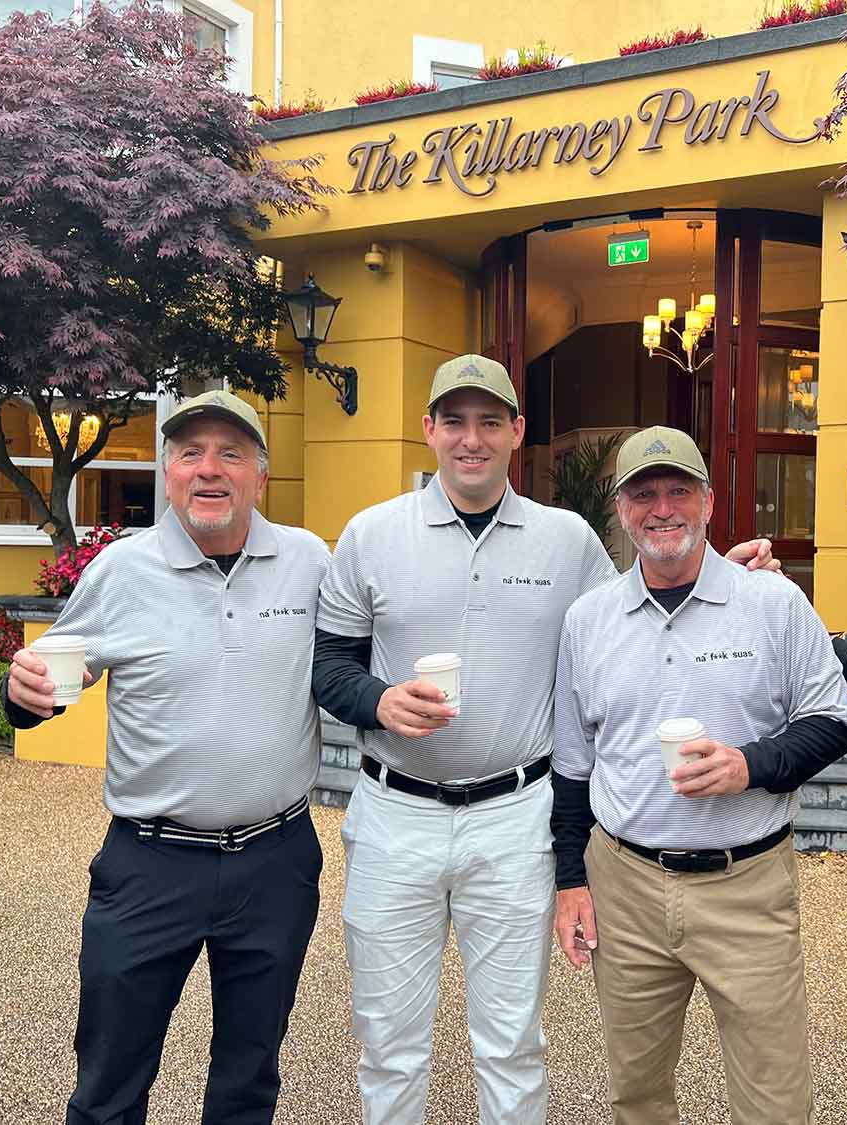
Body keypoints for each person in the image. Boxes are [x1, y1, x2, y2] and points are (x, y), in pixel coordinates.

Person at [310, 358, 777, 1123]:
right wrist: (378, 699)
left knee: (512, 1044)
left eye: (490, 421)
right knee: (388, 1043)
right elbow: (328, 664)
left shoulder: (565, 542)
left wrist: (730, 575)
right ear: (428, 429)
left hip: (513, 814)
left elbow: (639, 611)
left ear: (517, 433)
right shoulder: (370, 535)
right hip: (396, 813)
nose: (471, 439)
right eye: (454, 421)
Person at [2, 390, 330, 1125]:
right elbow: (50, 682)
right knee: (110, 1080)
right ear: (167, 471)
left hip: (275, 862)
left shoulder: (307, 561)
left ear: (260, 475)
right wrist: (21, 689)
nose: (208, 470)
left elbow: (352, 658)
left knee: (249, 1079)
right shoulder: (123, 570)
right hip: (149, 864)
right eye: (190, 453)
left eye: (230, 453)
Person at [550, 425, 847, 1125]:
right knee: (637, 1093)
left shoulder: (773, 604)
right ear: (622, 511)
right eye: (644, 494)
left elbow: (834, 721)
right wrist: (570, 880)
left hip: (745, 885)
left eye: (679, 490)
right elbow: (572, 767)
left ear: (710, 501)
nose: (663, 508)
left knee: (775, 1100)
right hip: (624, 884)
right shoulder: (588, 620)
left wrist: (747, 765)